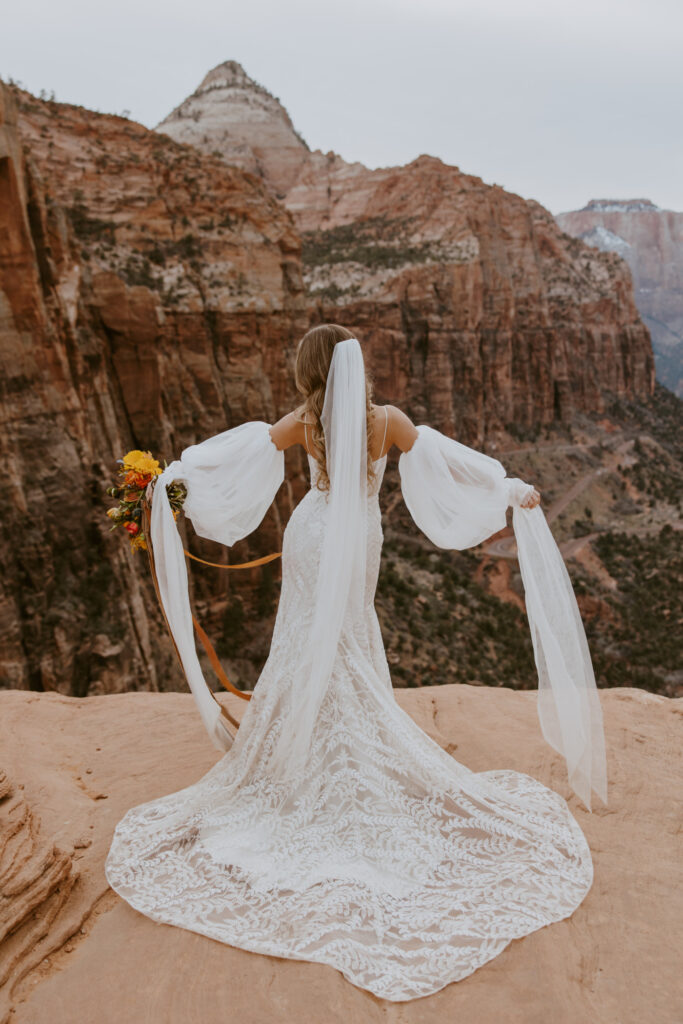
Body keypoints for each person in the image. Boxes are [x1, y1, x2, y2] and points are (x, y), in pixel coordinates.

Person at [105, 323, 607, 1002]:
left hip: (313, 532)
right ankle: (342, 745)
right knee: (341, 635)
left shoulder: (303, 420)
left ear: (312, 369)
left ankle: (301, 752)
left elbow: (239, 456)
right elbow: (451, 462)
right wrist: (509, 489)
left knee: (310, 636)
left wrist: (170, 484)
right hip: (358, 531)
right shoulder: (386, 421)